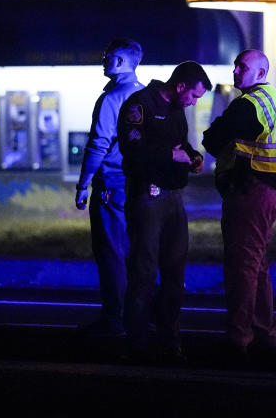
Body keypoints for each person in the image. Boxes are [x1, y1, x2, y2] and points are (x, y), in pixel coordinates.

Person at [118, 60, 212, 362]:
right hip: (147, 194)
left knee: (175, 271)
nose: (194, 102)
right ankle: (137, 342)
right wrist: (168, 155)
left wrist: (192, 156)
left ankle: (169, 339)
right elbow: (130, 146)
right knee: (144, 270)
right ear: (181, 86)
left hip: (173, 197)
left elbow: (180, 142)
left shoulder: (176, 110)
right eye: (194, 96)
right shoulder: (140, 104)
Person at [202, 49, 276, 360]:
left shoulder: (248, 104)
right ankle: (266, 337)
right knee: (258, 268)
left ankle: (239, 339)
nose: (236, 71)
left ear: (261, 73)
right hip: (269, 192)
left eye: (243, 66)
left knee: (242, 269)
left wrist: (215, 137)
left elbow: (212, 139)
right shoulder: (272, 99)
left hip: (250, 192)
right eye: (235, 65)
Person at [74, 38, 145, 337]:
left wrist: (83, 184)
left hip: (112, 185)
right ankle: (139, 318)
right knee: (137, 253)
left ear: (120, 61)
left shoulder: (112, 98)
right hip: (139, 185)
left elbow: (98, 144)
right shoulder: (145, 96)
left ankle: (114, 321)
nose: (103, 60)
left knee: (112, 253)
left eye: (108, 56)